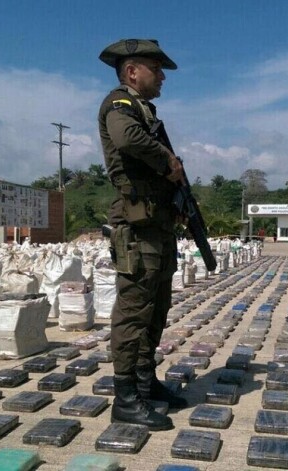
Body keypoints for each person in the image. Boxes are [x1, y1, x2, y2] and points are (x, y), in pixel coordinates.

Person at [98, 39, 186, 431]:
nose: (163, 76)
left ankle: (146, 384)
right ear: (133, 71)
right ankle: (125, 398)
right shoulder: (120, 106)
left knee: (157, 309)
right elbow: (128, 140)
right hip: (136, 228)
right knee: (133, 312)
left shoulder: (145, 111)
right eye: (157, 68)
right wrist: (168, 161)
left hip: (157, 226)